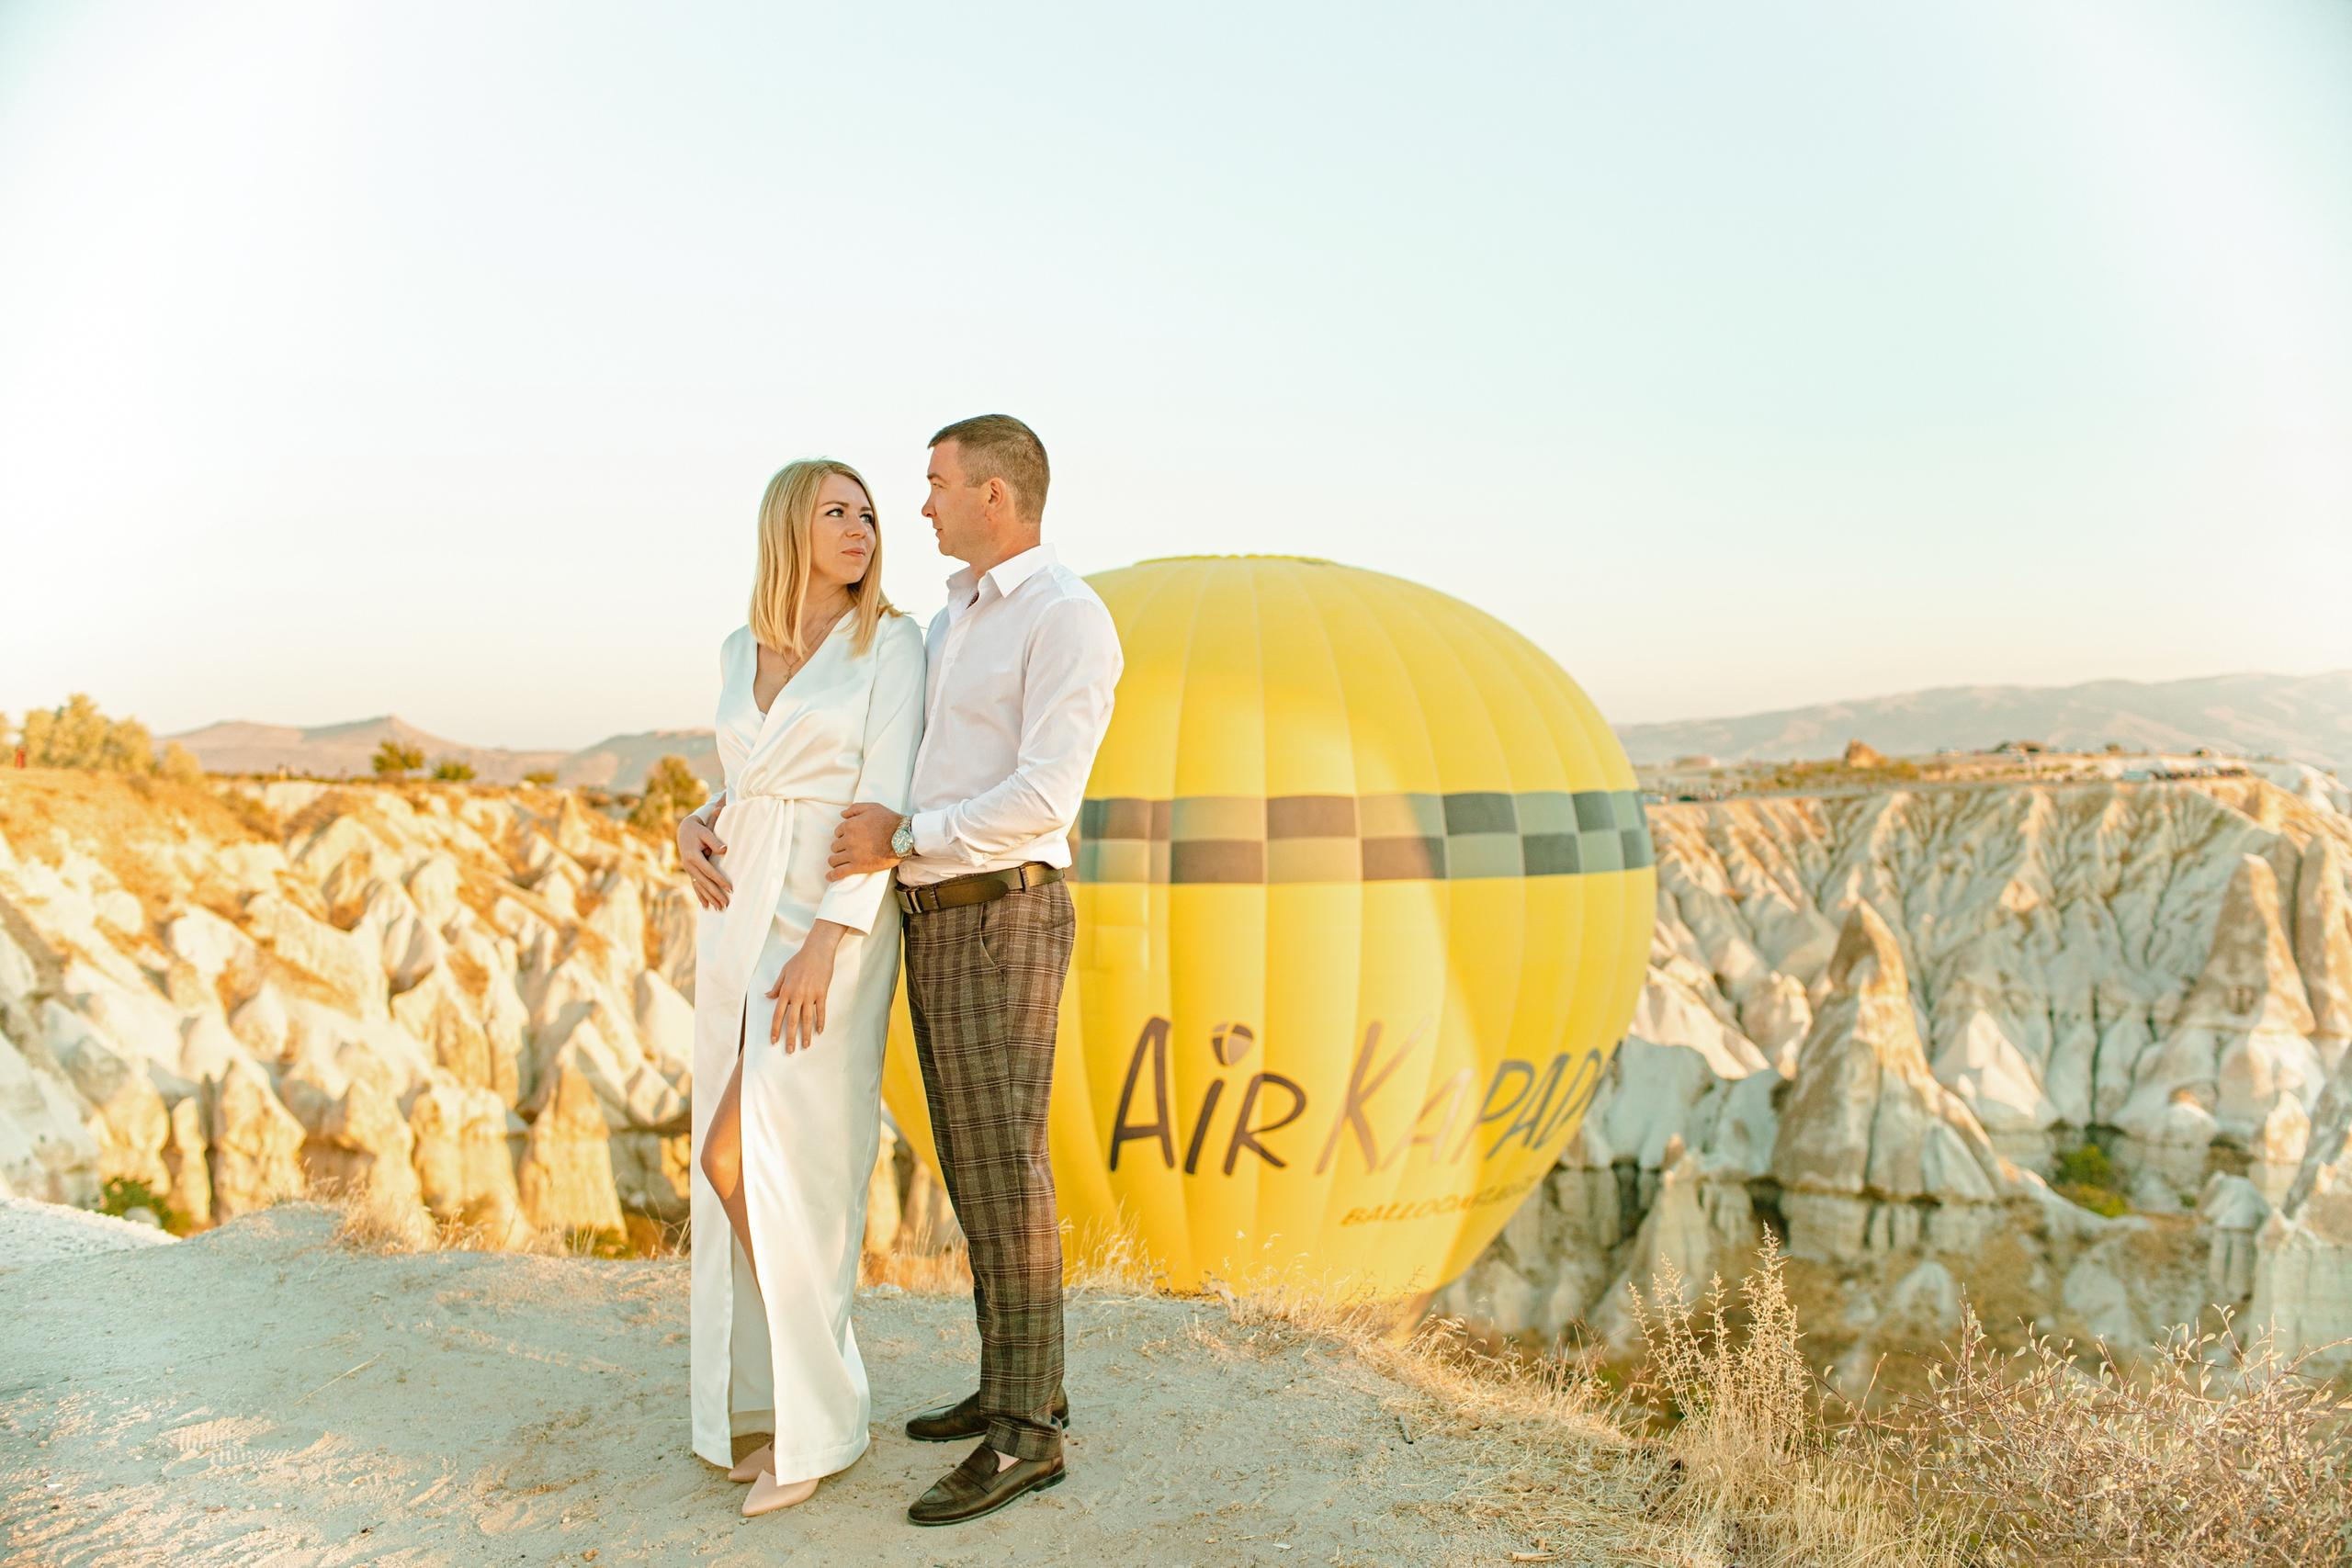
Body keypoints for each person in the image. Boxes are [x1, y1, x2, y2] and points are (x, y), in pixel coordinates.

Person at [828, 413, 1123, 1527]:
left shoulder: (1065, 618)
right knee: (970, 1160)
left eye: (937, 483)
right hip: (939, 916)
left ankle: (1028, 1439)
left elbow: (1047, 799)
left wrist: (905, 837)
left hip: (1002, 915)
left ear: (995, 496)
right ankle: (1014, 1387)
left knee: (1007, 1165)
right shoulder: (953, 618)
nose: (922, 505)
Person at [679, 457, 925, 1519]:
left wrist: (832, 941)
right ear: (791, 525)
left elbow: (884, 797)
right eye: (837, 511)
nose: (861, 527)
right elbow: (749, 774)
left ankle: (823, 1419)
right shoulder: (742, 648)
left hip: (831, 924)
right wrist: (692, 819)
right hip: (738, 912)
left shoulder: (892, 644)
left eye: (868, 513)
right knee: (727, 1160)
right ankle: (771, 1404)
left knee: (778, 1166)